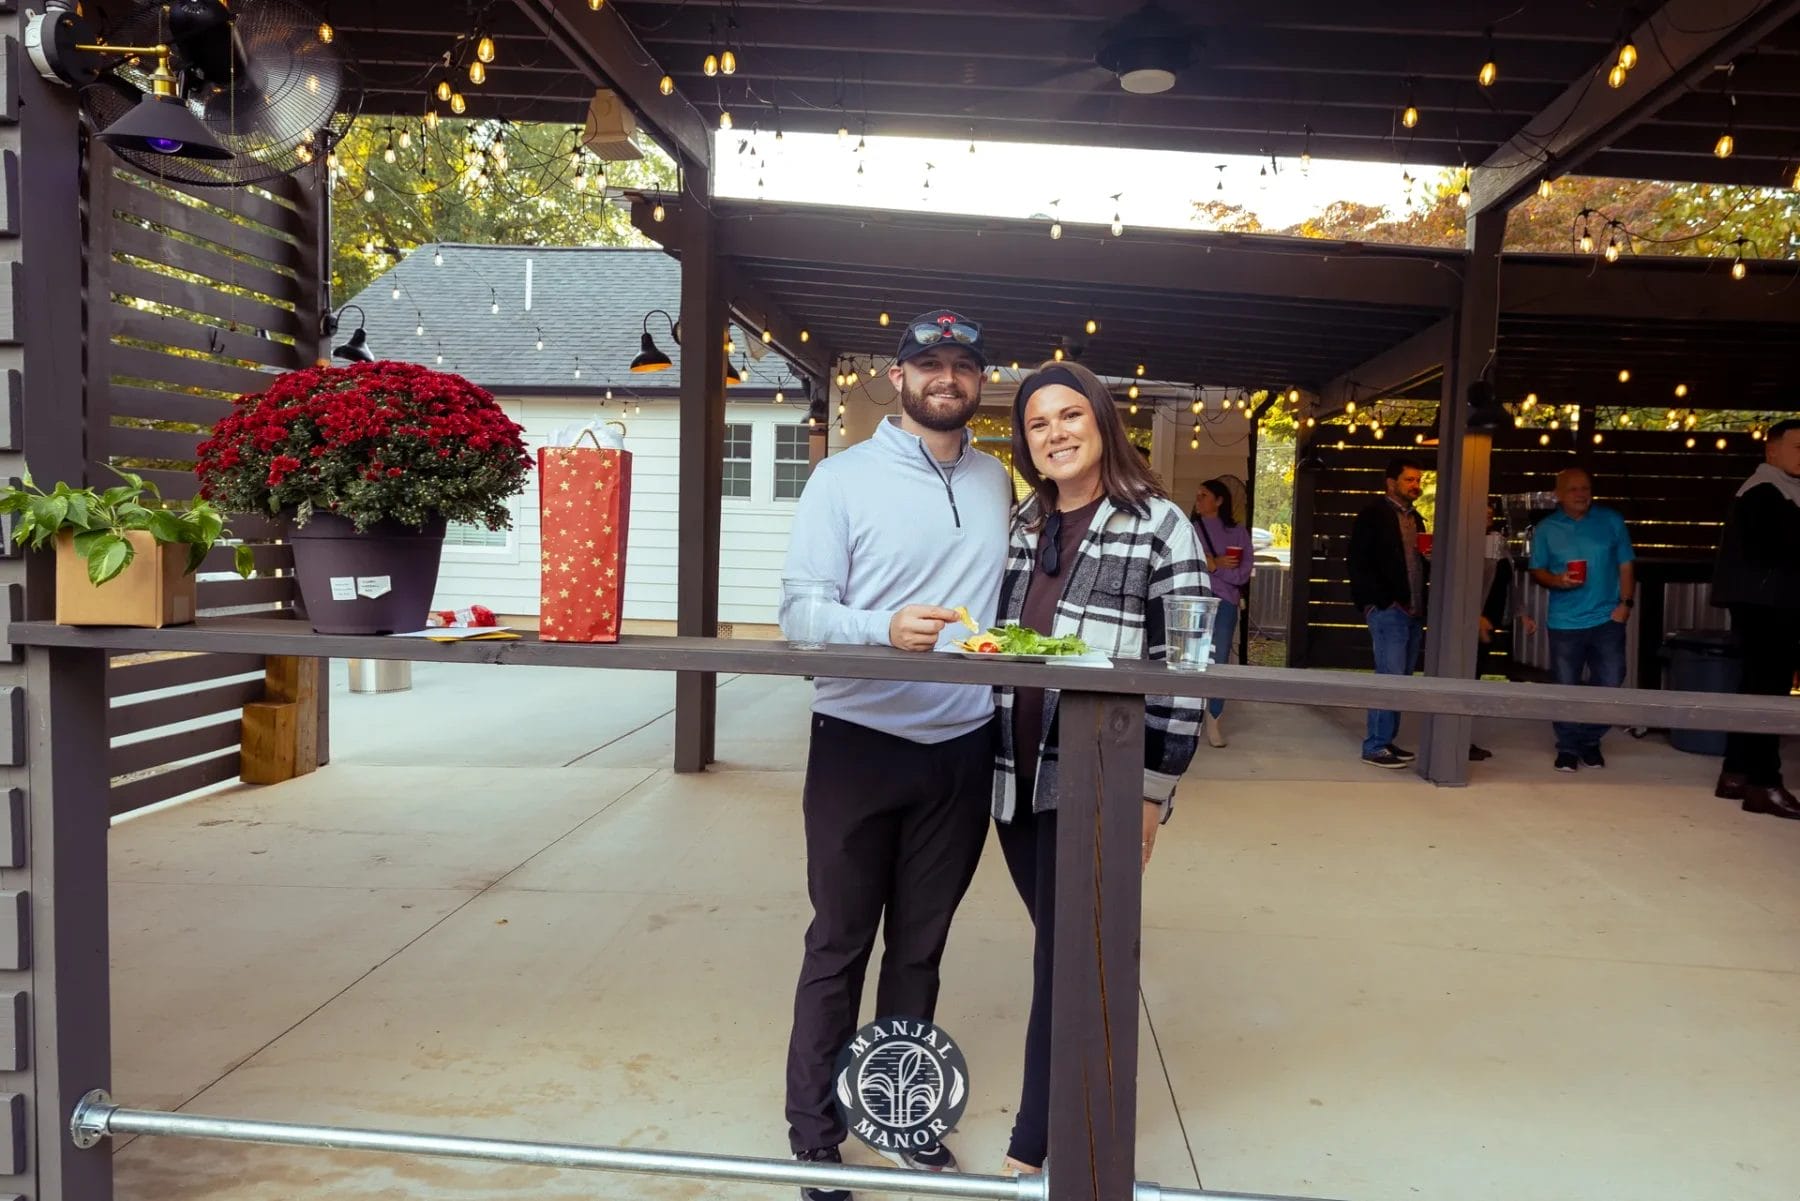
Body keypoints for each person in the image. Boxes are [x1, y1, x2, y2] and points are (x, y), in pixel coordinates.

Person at [777, 310, 1013, 1197]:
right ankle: (814, 1135)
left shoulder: (997, 480)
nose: (945, 377)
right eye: (929, 364)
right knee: (839, 943)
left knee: (920, 948)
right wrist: (881, 628)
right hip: (858, 742)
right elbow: (799, 612)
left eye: (962, 364)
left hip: (962, 743)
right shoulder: (841, 480)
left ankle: (900, 1116)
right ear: (900, 376)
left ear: (979, 380)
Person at [989, 360, 1207, 1179]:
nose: (1055, 433)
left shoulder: (1158, 524)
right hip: (1012, 774)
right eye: (1039, 423)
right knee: (1062, 940)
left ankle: (1036, 1139)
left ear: (1104, 421)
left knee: (1068, 954)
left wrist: (1151, 789)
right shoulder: (1022, 522)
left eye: (1070, 415)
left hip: (1096, 780)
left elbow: (1186, 667)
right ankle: (1067, 1112)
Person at [1710, 418, 1800, 818]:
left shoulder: (1779, 490)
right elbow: (1783, 548)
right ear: (1772, 451)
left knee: (1755, 686)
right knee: (1768, 691)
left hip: (1767, 601)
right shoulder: (1765, 492)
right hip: (1767, 604)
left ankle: (1736, 773)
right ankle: (1764, 783)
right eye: (1799, 447)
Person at [1527, 467, 1636, 773]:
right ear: (1558, 494)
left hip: (1607, 617)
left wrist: (1625, 604)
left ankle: (1589, 740)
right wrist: (1558, 580)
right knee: (1565, 686)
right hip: (1565, 620)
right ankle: (1568, 747)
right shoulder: (1547, 529)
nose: (1581, 494)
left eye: (1585, 488)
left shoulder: (1611, 520)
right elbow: (1537, 570)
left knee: (1611, 680)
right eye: (1573, 489)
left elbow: (1626, 566)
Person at [1347, 457, 1428, 769]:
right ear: (1391, 482)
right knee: (1389, 676)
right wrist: (1379, 601)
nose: (1416, 485)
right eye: (1409, 479)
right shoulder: (1373, 515)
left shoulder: (1416, 519)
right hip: (1389, 609)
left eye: (1418, 479)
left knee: (1402, 679)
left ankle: (1387, 739)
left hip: (1413, 609)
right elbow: (1357, 561)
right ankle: (1375, 745)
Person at [1190, 477, 1253, 747]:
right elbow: (1191, 566)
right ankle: (1190, 714)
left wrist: (1215, 567)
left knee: (1220, 657)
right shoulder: (1191, 529)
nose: (1199, 499)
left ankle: (1214, 718)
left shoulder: (1237, 533)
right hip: (1197, 598)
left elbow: (1241, 574)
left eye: (1204, 495)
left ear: (1219, 500)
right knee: (1193, 656)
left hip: (1226, 602)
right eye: (1198, 494)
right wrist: (1213, 565)